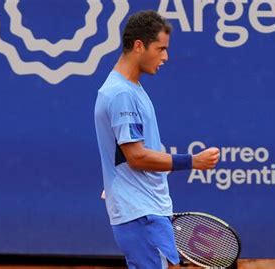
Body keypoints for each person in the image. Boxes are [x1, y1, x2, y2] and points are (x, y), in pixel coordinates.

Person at [94, 10, 220, 268]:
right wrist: (192, 161)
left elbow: (124, 154)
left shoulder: (130, 89)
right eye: (160, 48)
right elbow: (137, 157)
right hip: (142, 214)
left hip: (144, 209)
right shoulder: (121, 94)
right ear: (139, 46)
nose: (166, 56)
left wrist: (117, 181)